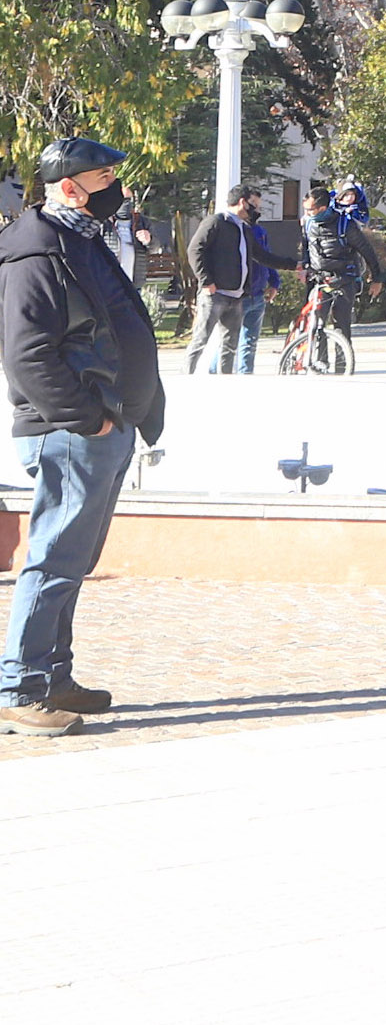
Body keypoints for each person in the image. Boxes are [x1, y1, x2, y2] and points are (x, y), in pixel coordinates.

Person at [0, 140, 165, 737]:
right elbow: (28, 354)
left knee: (72, 560)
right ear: (69, 187)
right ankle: (19, 688)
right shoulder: (37, 252)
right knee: (53, 558)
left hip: (108, 424)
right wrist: (86, 417)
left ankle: (52, 678)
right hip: (70, 431)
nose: (115, 186)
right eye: (104, 177)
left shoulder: (80, 240)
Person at [184, 185, 294, 375]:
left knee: (230, 346)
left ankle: (226, 385)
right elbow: (195, 250)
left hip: (237, 296)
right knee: (200, 340)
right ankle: (185, 379)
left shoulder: (245, 229)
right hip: (215, 295)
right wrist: (206, 281)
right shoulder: (216, 222)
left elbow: (262, 256)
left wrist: (293, 265)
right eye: (255, 205)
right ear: (243, 202)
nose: (257, 211)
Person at [301, 183, 386, 334]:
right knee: (315, 323)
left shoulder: (346, 224)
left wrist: (377, 279)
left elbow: (367, 251)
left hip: (344, 279)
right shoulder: (308, 223)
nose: (306, 214)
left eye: (310, 210)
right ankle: (319, 357)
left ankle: (343, 357)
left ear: (322, 208)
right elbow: (306, 249)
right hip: (319, 279)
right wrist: (304, 268)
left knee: (341, 323)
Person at [236, 202, 284, 374]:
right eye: (254, 205)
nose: (257, 210)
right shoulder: (237, 231)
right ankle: (216, 374)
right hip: (239, 295)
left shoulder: (260, 231)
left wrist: (274, 282)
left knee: (250, 342)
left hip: (257, 295)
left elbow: (267, 257)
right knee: (229, 342)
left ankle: (245, 375)